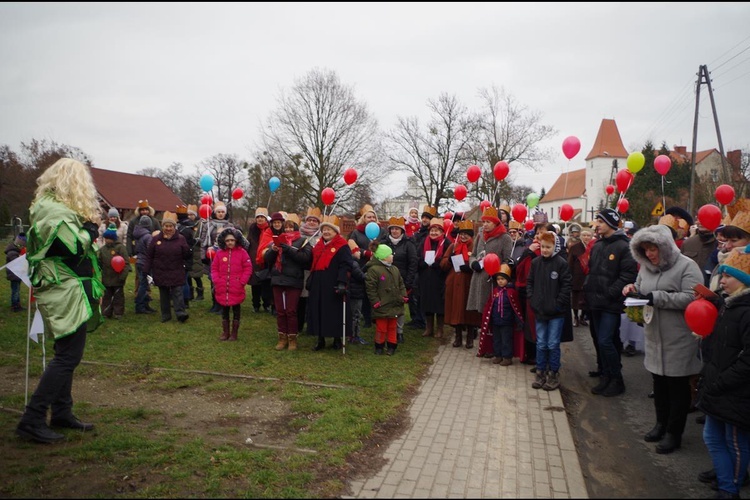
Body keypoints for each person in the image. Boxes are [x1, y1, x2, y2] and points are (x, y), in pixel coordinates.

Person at [16, 158, 103, 444]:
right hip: (64, 288)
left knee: (65, 351)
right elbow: (73, 245)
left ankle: (62, 411)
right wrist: (91, 229)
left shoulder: (49, 208)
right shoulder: (53, 211)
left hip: (66, 286)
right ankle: (33, 418)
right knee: (68, 355)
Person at [623, 223, 703, 454]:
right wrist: (631, 289)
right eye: (645, 250)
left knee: (677, 388)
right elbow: (640, 287)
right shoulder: (646, 267)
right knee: (659, 385)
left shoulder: (688, 266)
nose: (649, 254)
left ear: (665, 247)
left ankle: (673, 433)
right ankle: (660, 424)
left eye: (653, 249)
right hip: (654, 335)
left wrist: (656, 297)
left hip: (679, 337)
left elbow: (692, 298)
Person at [695, 246, 750, 499]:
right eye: (723, 275)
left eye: (729, 276)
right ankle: (726, 483)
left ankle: (730, 490)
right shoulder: (729, 304)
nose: (723, 280)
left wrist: (721, 382)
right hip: (718, 386)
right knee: (713, 438)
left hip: (737, 392)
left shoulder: (746, 311)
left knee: (736, 445)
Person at [584, 208, 637, 397]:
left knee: (606, 340)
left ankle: (617, 379)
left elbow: (628, 275)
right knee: (601, 340)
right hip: (595, 302)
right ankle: (606, 375)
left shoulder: (625, 247)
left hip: (610, 303)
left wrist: (610, 294)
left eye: (600, 221)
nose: (596, 225)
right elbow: (592, 272)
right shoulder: (598, 245)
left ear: (611, 224)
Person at [307, 216, 361, 351]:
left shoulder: (342, 246)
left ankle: (337, 338)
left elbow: (346, 265)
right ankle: (320, 338)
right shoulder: (318, 246)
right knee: (318, 310)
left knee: (334, 312)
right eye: (324, 230)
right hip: (318, 282)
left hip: (334, 283)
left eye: (329, 230)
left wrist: (342, 282)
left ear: (335, 232)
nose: (326, 232)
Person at [528, 231, 572, 391]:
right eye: (543, 247)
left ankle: (553, 373)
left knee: (553, 344)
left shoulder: (561, 263)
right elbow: (530, 282)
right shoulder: (536, 263)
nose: (545, 250)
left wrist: (558, 304)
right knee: (541, 343)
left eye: (548, 247)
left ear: (555, 247)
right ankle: (540, 372)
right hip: (540, 311)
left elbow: (566, 286)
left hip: (556, 313)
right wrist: (532, 299)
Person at [466, 206, 513, 342]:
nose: (485, 225)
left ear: (496, 222)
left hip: (493, 281)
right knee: (482, 313)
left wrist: (498, 273)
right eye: (484, 221)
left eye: (488, 222)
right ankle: (484, 343)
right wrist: (473, 263)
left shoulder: (505, 238)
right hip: (479, 278)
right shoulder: (481, 236)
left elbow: (507, 260)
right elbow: (473, 254)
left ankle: (493, 345)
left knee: (493, 313)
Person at [265, 218, 312, 350]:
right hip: (278, 278)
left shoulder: (302, 241)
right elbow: (267, 260)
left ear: (296, 229)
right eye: (286, 228)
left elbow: (305, 259)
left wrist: (289, 249)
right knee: (280, 311)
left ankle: (292, 338)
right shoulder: (278, 240)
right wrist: (273, 250)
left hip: (294, 280)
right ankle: (282, 337)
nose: (288, 230)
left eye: (291, 227)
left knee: (291, 311)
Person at [143, 211, 191, 323]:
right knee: (164, 294)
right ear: (162, 226)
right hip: (160, 270)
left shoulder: (181, 239)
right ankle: (166, 315)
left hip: (176, 270)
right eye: (166, 226)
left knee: (177, 292)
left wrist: (187, 250)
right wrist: (146, 269)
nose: (168, 228)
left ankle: (180, 313)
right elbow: (149, 255)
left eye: (170, 226)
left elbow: (187, 255)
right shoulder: (156, 239)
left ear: (174, 227)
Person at [440, 220, 481, 348]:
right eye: (461, 234)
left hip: (468, 283)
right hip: (454, 283)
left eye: (466, 234)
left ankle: (469, 337)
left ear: (471, 236)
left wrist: (470, 267)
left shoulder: (475, 247)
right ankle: (457, 336)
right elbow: (443, 263)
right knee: (456, 310)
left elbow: (480, 262)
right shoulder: (453, 246)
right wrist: (450, 261)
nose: (463, 236)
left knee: (469, 311)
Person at [348, 204, 385, 341]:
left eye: (373, 217)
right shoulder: (356, 232)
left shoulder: (381, 231)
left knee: (376, 292)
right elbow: (353, 247)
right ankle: (366, 319)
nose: (371, 219)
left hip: (378, 265)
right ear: (364, 218)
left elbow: (385, 244)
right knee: (363, 293)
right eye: (368, 216)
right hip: (362, 265)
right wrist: (366, 253)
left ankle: (377, 318)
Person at [365, 242, 408, 355]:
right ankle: (379, 345)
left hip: (394, 304)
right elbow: (371, 288)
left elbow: (401, 283)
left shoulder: (395, 269)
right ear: (384, 256)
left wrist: (403, 295)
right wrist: (375, 302)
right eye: (390, 254)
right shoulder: (374, 270)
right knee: (381, 327)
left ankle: (392, 345)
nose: (393, 256)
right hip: (382, 305)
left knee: (392, 327)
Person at [380, 216, 418, 344]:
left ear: (402, 230)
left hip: (402, 281)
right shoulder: (383, 243)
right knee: (386, 306)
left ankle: (399, 332)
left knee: (399, 307)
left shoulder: (408, 244)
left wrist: (408, 282)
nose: (394, 231)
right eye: (392, 229)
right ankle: (385, 331)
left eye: (397, 229)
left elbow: (413, 263)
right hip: (385, 280)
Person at [476, 264, 524, 365]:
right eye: (498, 279)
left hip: (507, 322)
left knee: (506, 340)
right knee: (496, 339)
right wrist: (489, 319)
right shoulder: (495, 292)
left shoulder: (511, 292)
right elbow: (490, 305)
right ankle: (498, 355)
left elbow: (516, 308)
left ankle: (507, 357)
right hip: (496, 321)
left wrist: (518, 321)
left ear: (507, 279)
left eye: (502, 279)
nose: (500, 281)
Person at [211, 227, 253, 341]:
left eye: (232, 240)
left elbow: (248, 268)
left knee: (236, 309)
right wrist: (216, 280)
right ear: (224, 242)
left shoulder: (242, 253)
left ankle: (234, 332)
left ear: (236, 241)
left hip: (236, 286)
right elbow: (214, 268)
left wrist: (242, 281)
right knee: (224, 310)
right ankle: (225, 332)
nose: (230, 242)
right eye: (228, 241)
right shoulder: (220, 253)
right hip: (222, 286)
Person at [199, 200, 236, 314]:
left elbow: (233, 241)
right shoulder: (208, 225)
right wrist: (203, 256)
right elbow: (203, 240)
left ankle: (222, 304)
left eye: (222, 212)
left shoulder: (230, 226)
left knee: (223, 281)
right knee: (213, 280)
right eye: (218, 212)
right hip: (212, 256)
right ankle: (214, 303)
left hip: (225, 257)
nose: (220, 214)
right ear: (214, 212)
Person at [417, 216, 450, 338]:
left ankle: (440, 329)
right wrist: (422, 263)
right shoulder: (424, 242)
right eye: (432, 230)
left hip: (440, 278)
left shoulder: (446, 243)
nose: (434, 233)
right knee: (427, 303)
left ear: (442, 232)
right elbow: (417, 256)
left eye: (437, 230)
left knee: (439, 304)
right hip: (426, 277)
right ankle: (428, 328)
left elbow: (449, 259)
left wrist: (439, 263)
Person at [97, 224, 131, 319]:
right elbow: (100, 262)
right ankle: (106, 312)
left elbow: (126, 263)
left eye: (109, 238)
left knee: (118, 297)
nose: (107, 240)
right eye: (106, 238)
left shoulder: (120, 248)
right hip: (107, 277)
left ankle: (118, 313)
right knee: (107, 296)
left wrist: (122, 276)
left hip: (118, 277)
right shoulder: (103, 250)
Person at [298, 207, 322, 333]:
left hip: (315, 271)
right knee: (301, 300)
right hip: (301, 270)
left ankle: (311, 325)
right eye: (310, 220)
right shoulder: (300, 234)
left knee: (312, 299)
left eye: (315, 221)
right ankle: (299, 325)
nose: (312, 222)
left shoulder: (321, 236)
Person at [246, 207, 274, 313]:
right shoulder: (252, 229)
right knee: (255, 284)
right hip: (254, 259)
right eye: (258, 217)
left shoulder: (269, 230)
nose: (260, 219)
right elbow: (248, 243)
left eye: (262, 217)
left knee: (266, 283)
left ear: (266, 219)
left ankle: (267, 304)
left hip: (266, 259)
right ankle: (256, 304)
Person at [132, 215, 156, 314]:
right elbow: (151, 250)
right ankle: (140, 306)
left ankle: (145, 305)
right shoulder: (148, 236)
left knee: (144, 284)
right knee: (144, 284)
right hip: (145, 262)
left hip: (139, 261)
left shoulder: (137, 235)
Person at [568, 228, 592, 327]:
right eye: (584, 235)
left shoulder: (594, 247)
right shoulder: (575, 247)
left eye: (588, 235)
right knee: (575, 299)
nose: (586, 237)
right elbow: (570, 263)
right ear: (581, 236)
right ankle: (576, 318)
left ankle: (582, 317)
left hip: (589, 277)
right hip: (577, 276)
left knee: (586, 299)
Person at [185, 204, 205, 302]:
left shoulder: (199, 225)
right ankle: (189, 293)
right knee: (188, 275)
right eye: (188, 215)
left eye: (191, 215)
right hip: (188, 252)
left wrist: (197, 241)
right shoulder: (186, 225)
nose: (190, 217)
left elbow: (202, 237)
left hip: (196, 252)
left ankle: (200, 293)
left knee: (197, 275)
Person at [5, 232, 26, 312]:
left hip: (17, 274)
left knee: (17, 290)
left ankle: (17, 304)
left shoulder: (15, 252)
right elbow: (16, 262)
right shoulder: (12, 253)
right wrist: (21, 258)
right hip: (14, 275)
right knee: (15, 291)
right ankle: (14, 306)